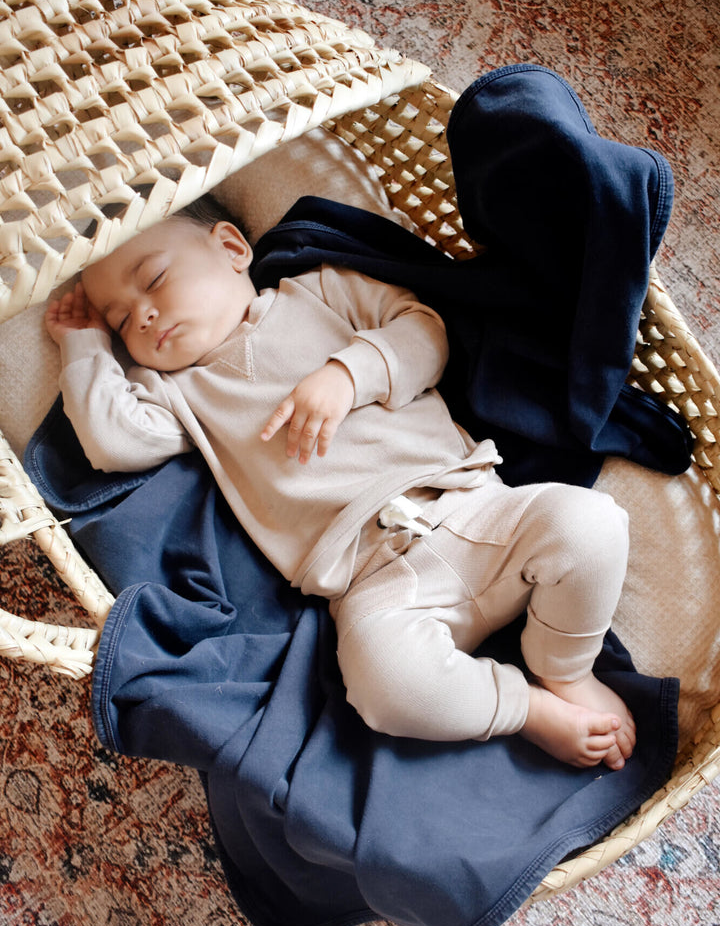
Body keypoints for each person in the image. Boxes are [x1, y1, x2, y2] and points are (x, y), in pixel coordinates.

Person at [45, 197, 635, 770]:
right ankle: (525, 709)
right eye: (123, 321)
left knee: (590, 525)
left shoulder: (318, 290)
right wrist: (85, 342)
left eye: (153, 280)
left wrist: (348, 374)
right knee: (381, 689)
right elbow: (112, 442)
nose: (141, 315)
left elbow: (424, 334)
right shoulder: (176, 393)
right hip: (373, 583)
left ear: (230, 248)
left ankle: (565, 667)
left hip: (474, 506)